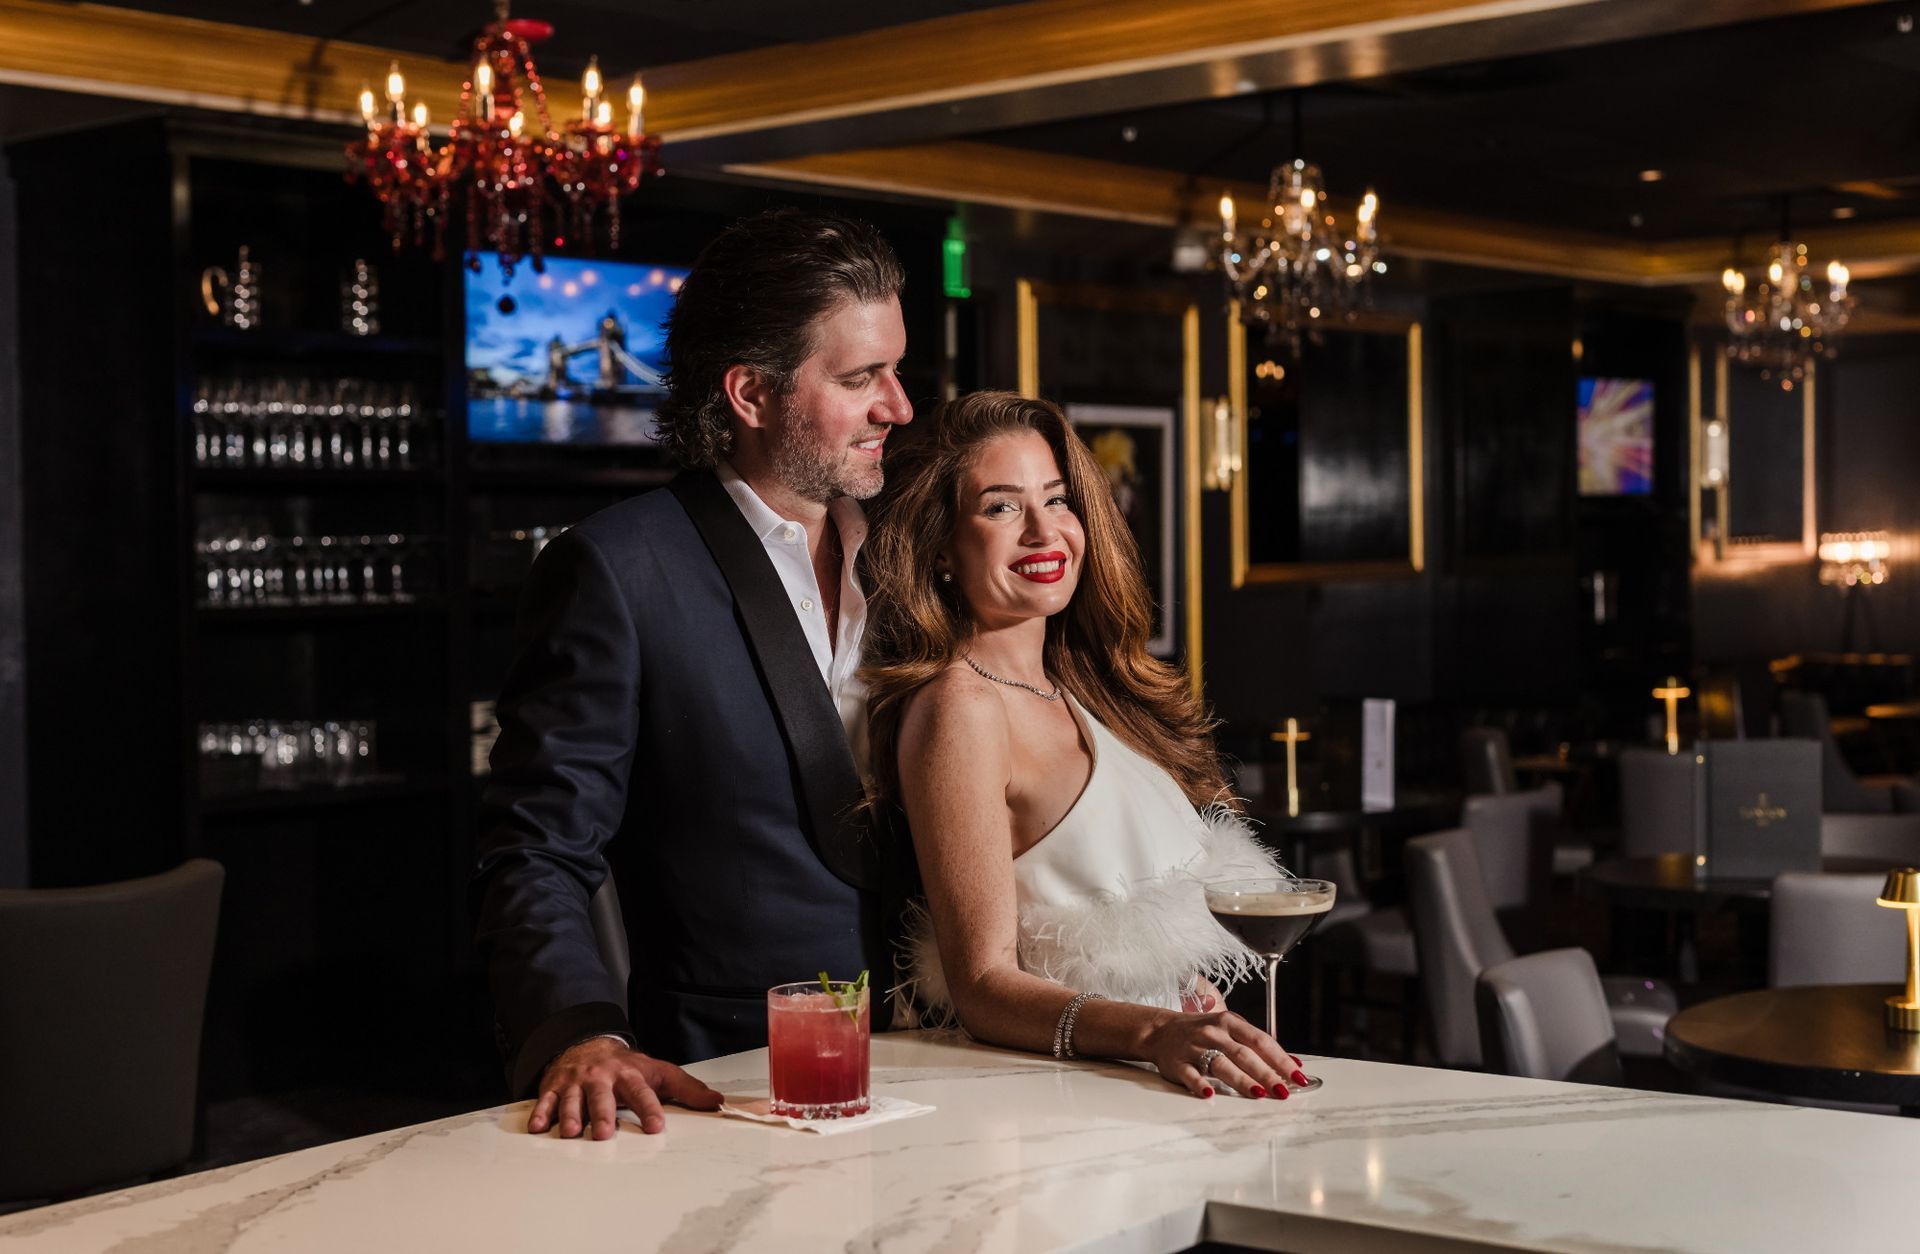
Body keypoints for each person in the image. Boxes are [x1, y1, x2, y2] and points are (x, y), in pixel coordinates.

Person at [472, 209, 913, 1141]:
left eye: (895, 370)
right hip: (733, 1086)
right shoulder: (617, 571)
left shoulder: (916, 561)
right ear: (751, 393)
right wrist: (580, 1031)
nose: (897, 406)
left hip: (943, 1057)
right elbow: (536, 849)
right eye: (860, 377)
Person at [862, 391, 1307, 1100]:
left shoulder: (1084, 689)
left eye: (1058, 500)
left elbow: (1132, 929)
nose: (1044, 532)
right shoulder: (961, 709)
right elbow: (981, 985)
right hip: (1068, 1103)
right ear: (942, 547)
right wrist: (1151, 1033)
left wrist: (1205, 1018)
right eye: (1002, 507)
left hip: (1164, 1089)